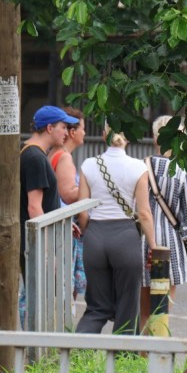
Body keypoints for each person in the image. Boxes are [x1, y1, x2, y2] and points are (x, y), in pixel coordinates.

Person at [75, 126, 157, 335]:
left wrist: (89, 233)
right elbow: (144, 213)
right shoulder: (138, 167)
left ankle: (79, 351)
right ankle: (123, 354)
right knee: (127, 307)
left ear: (104, 135)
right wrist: (153, 246)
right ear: (127, 137)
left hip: (95, 236)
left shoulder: (88, 164)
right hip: (125, 237)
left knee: (97, 307)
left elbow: (82, 211)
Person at [140, 115, 187, 333]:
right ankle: (158, 348)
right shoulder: (183, 170)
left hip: (143, 243)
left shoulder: (141, 167)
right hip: (170, 246)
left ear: (155, 138)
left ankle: (142, 350)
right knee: (162, 310)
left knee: (144, 311)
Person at [20, 105, 80, 324]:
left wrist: (61, 219)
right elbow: (34, 207)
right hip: (38, 244)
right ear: (49, 128)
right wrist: (46, 251)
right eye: (63, 127)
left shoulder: (30, 152)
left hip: (39, 240)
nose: (67, 133)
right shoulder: (35, 157)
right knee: (41, 300)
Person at [47, 106, 87, 305]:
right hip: (64, 228)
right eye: (82, 129)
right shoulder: (64, 156)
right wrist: (91, 188)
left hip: (60, 225)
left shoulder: (55, 153)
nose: (84, 133)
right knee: (63, 286)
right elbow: (68, 194)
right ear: (72, 132)